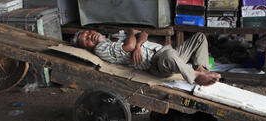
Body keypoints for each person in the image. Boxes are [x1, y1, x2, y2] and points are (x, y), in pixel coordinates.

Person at [72, 28, 221, 86]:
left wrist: (137, 44)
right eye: (85, 40)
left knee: (200, 37)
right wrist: (131, 35)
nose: (89, 36)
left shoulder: (113, 36)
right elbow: (129, 46)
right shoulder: (101, 49)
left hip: (166, 52)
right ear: (88, 47)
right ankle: (195, 76)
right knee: (169, 56)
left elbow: (143, 33)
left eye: (87, 33)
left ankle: (201, 68)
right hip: (157, 64)